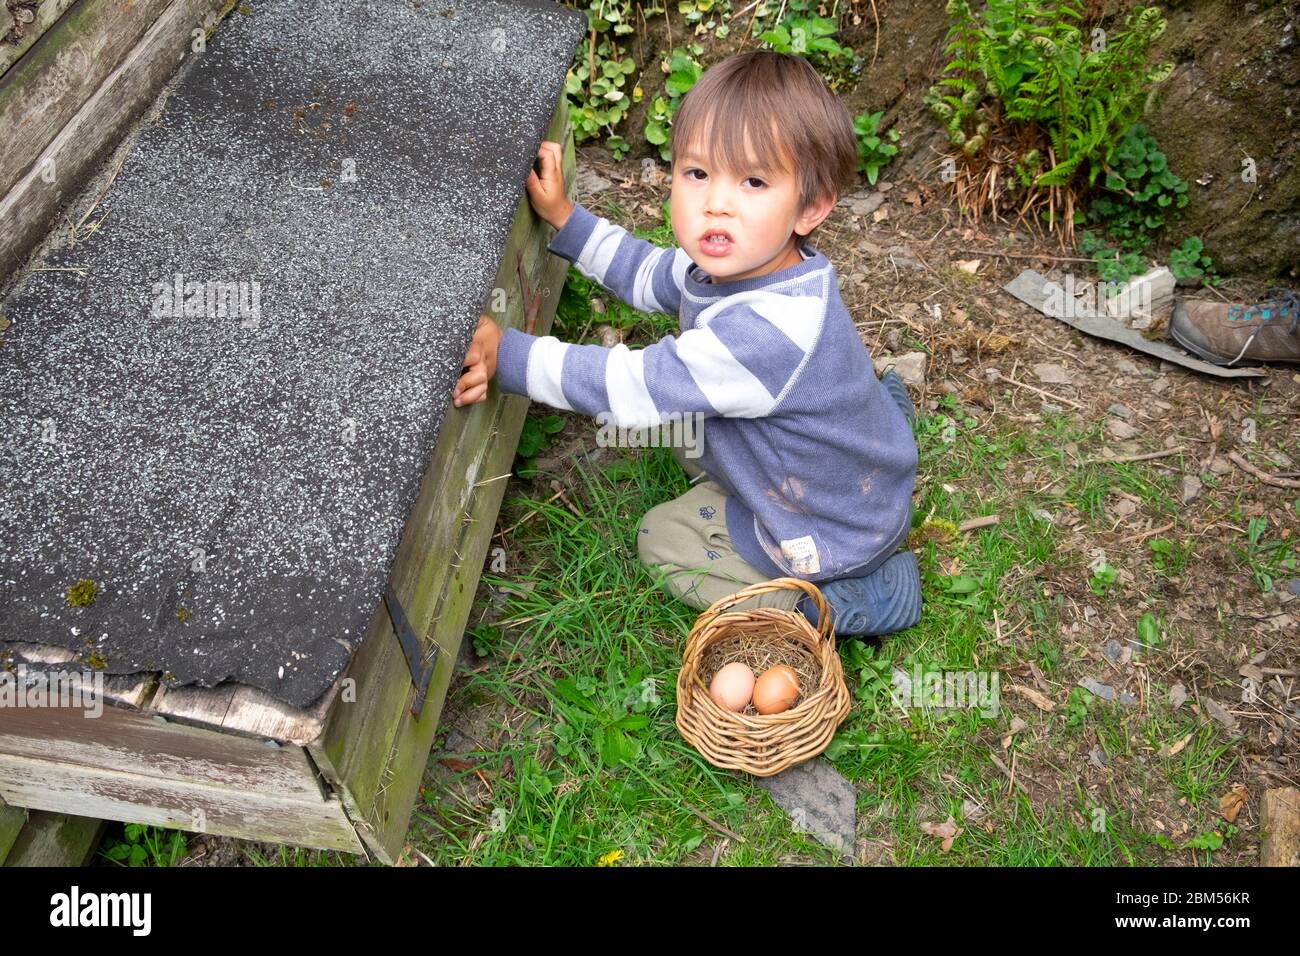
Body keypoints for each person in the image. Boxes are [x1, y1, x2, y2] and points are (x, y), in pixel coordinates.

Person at [453, 50, 920, 636]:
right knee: (691, 432)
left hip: (828, 525)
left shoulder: (767, 333)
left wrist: (510, 355)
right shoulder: (738, 265)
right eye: (697, 173)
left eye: (753, 181)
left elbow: (634, 386)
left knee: (665, 537)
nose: (715, 202)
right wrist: (567, 220)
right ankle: (871, 436)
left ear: (811, 207)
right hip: (842, 475)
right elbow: (648, 274)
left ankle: (825, 604)